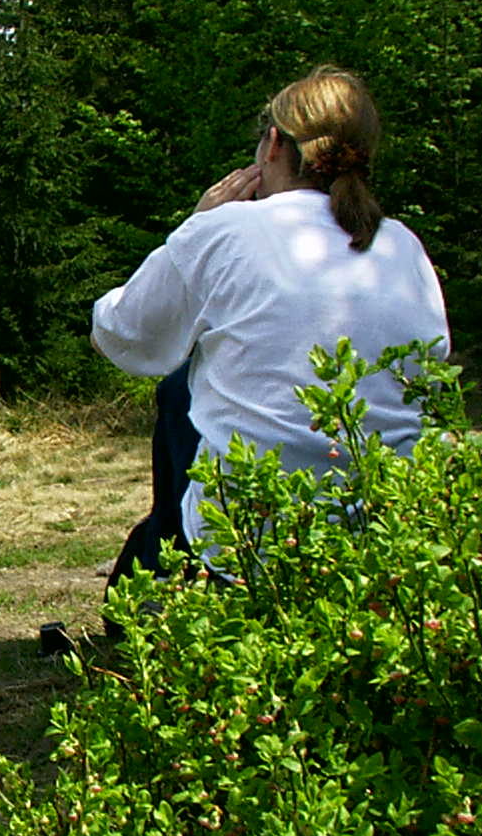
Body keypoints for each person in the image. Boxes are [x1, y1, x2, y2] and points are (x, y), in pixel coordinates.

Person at [91, 66, 450, 583]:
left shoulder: (226, 229)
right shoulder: (403, 245)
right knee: (182, 390)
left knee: (178, 390)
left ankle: (161, 579)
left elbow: (121, 334)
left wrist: (195, 224)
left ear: (274, 144)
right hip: (382, 531)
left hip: (250, 539)